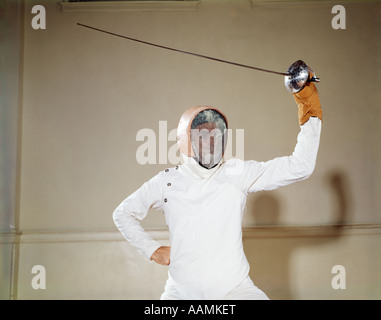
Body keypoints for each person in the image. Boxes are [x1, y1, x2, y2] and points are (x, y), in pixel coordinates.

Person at [113, 78, 322, 300]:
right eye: (203, 134)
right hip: (180, 293)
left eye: (216, 134)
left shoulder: (237, 173)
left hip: (235, 289)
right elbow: (123, 213)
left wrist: (307, 99)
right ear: (186, 139)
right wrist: (151, 250)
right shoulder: (167, 181)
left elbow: (300, 166)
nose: (211, 141)